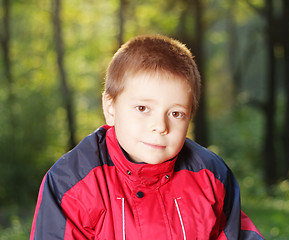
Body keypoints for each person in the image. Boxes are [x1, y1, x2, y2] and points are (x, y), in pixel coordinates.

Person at [30, 34, 264, 240]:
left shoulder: (211, 176)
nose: (160, 126)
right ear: (110, 108)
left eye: (176, 113)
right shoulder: (71, 182)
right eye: (143, 108)